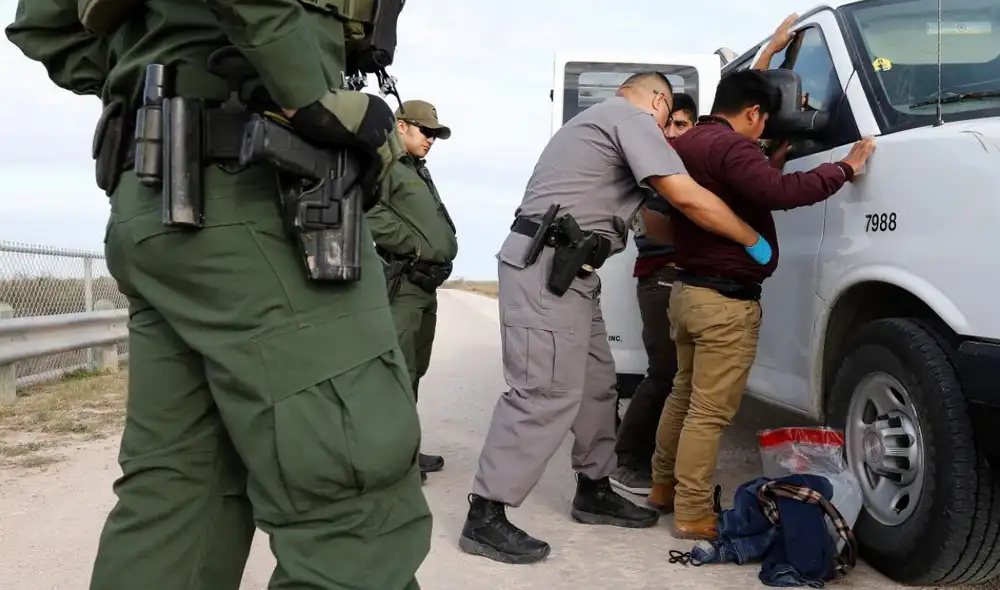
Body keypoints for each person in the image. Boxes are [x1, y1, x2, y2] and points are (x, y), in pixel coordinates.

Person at [6, 1, 433, 589]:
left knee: (181, 499)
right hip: (265, 191)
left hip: (157, 198)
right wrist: (302, 89)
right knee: (352, 503)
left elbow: (41, 23)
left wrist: (157, 62)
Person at [458, 71, 776, 566]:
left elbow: (659, 217)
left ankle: (594, 488)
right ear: (657, 101)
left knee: (596, 385)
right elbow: (684, 194)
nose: (668, 133)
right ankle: (485, 514)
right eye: (668, 122)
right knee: (543, 390)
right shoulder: (630, 118)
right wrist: (751, 239)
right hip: (548, 267)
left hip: (572, 270)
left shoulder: (603, 124)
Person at [649, 68, 876, 541]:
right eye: (764, 122)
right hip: (724, 303)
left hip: (687, 293)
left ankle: (663, 488)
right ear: (753, 112)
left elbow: (732, 189)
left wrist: (767, 161)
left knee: (683, 396)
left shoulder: (685, 144)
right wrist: (844, 168)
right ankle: (692, 513)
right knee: (708, 412)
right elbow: (780, 193)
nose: (762, 131)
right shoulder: (732, 146)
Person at [610, 93, 698, 496]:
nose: (672, 132)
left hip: (685, 281)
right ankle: (626, 460)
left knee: (680, 377)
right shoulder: (653, 172)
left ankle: (660, 458)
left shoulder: (687, 169)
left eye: (682, 124)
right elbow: (658, 227)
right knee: (663, 373)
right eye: (668, 124)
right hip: (660, 279)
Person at [368, 99, 458, 483]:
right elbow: (367, 211)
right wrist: (416, 246)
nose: (431, 139)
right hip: (403, 282)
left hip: (424, 285)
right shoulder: (385, 164)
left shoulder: (414, 168)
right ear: (401, 126)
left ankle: (405, 451)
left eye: (435, 133)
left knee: (414, 371)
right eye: (426, 131)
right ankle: (391, 464)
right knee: (396, 374)